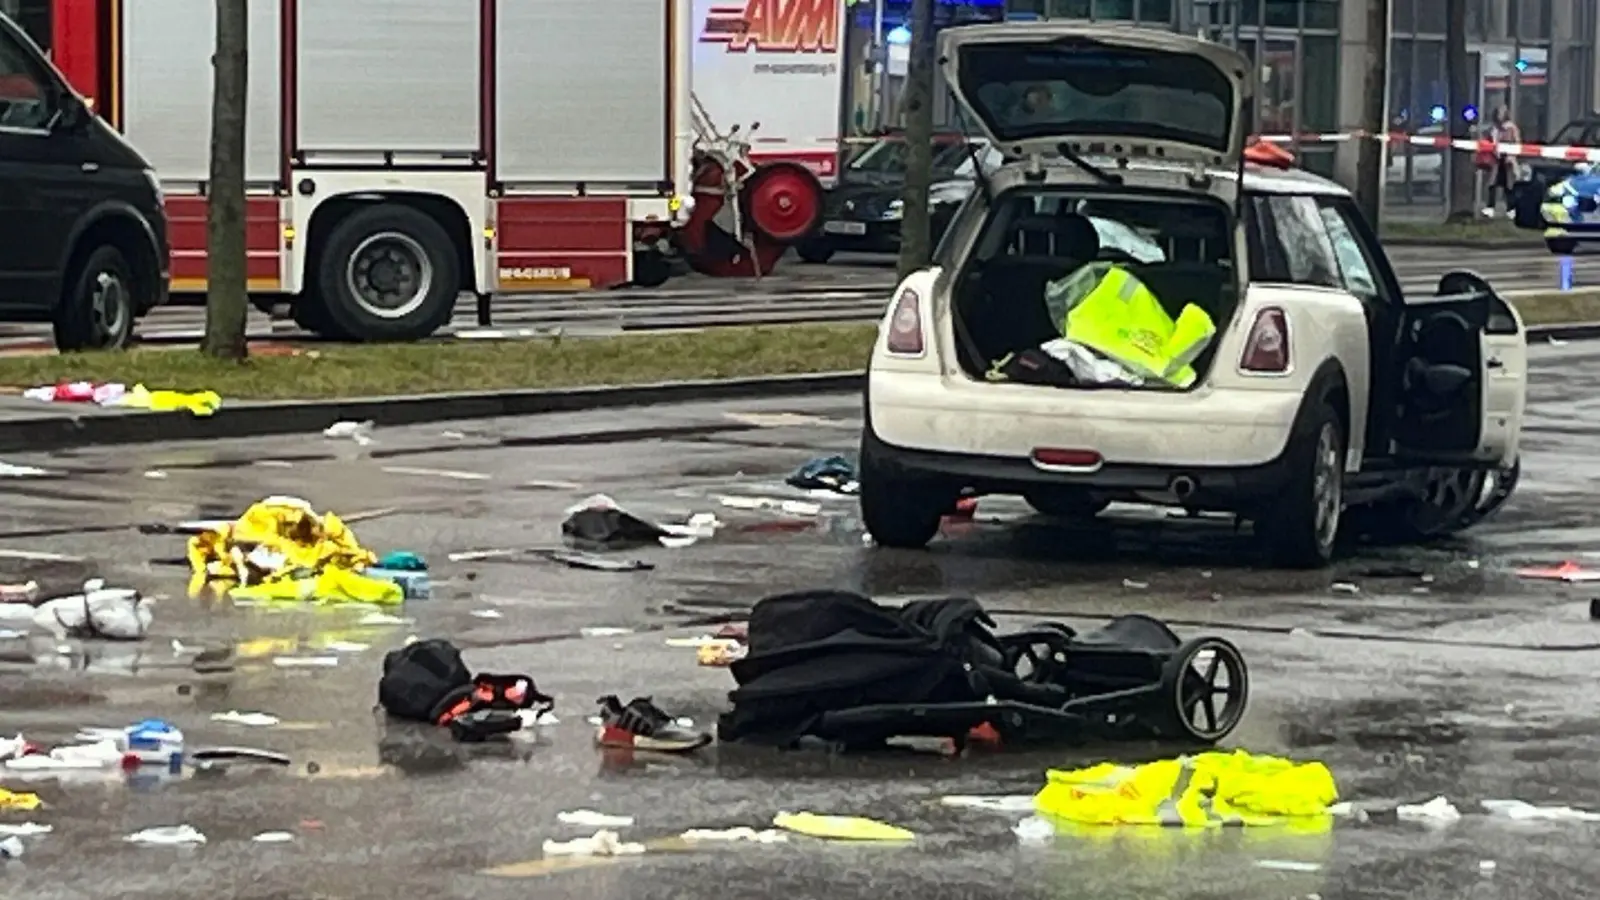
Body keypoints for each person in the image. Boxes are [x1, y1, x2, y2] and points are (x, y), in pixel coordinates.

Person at [1480, 105, 1522, 218]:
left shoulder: (1511, 128)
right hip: (1496, 160)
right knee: (1492, 184)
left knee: (1509, 186)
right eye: (1498, 113)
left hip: (1508, 160)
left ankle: (1511, 209)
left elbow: (1517, 142)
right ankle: (1490, 207)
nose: (1500, 115)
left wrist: (1512, 156)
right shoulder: (1494, 129)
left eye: (1502, 113)